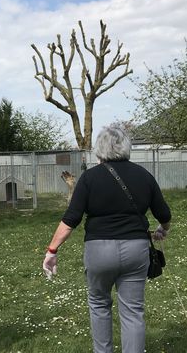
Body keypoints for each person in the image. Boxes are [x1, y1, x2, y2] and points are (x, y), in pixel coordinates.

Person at [42, 124, 171, 353]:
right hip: (135, 250)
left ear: (99, 150)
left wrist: (52, 250)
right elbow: (164, 214)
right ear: (127, 147)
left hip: (98, 251)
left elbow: (71, 219)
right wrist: (163, 228)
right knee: (133, 311)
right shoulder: (144, 175)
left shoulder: (89, 178)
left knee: (99, 305)